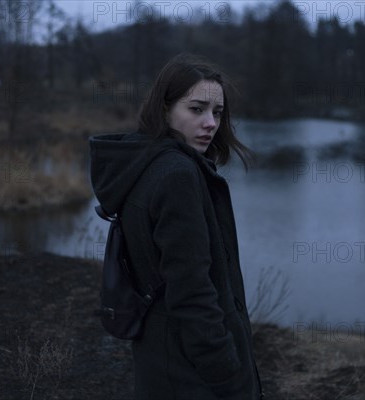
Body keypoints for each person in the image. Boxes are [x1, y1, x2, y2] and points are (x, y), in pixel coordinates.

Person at [89, 53, 263, 400]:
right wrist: (228, 376)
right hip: (192, 373)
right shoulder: (177, 176)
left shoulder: (144, 162)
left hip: (160, 356)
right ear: (165, 108)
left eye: (217, 112)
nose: (211, 123)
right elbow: (192, 292)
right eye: (196, 109)